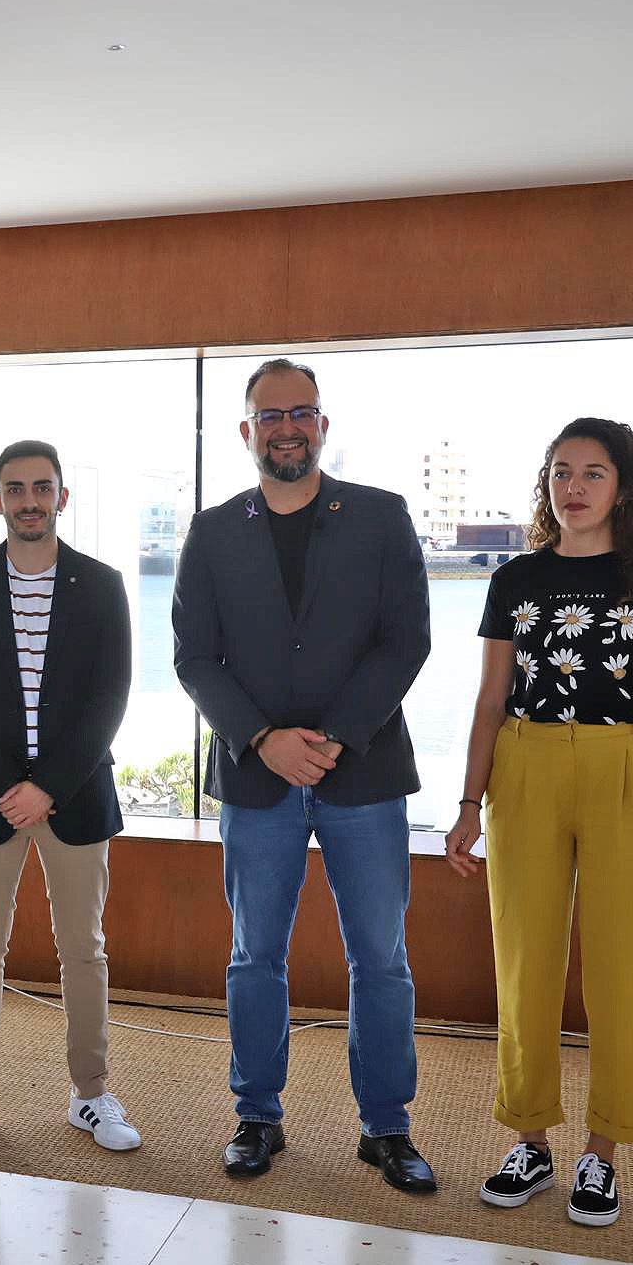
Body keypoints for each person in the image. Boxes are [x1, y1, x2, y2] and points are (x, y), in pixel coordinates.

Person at [172, 357, 437, 1193]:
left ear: (323, 424)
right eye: (269, 414)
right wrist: (261, 739)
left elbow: (407, 640)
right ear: (246, 431)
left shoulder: (382, 516)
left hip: (362, 774)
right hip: (258, 782)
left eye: (302, 412)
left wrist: (328, 737)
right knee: (255, 957)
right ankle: (258, 1115)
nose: (287, 426)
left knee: (382, 959)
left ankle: (386, 1127)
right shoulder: (211, 531)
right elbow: (194, 656)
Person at [444, 417, 633, 1229]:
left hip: (631, 767)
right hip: (524, 769)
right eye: (561, 471)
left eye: (594, 472)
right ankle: (530, 1142)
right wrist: (466, 803)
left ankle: (603, 1153)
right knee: (524, 959)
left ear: (624, 487)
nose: (575, 486)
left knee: (626, 969)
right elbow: (491, 697)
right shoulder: (515, 579)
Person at [0, 440, 140, 1152]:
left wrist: (46, 787)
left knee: (85, 948)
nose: (29, 500)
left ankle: (91, 1095)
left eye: (42, 487)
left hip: (75, 795)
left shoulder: (104, 584)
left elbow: (110, 697)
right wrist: (10, 787)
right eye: (14, 488)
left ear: (62, 497)